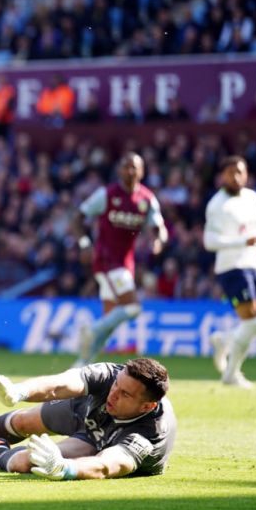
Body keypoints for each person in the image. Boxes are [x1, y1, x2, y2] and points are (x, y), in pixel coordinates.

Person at [0, 358, 176, 480]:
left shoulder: (148, 432)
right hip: (91, 414)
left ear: (147, 405)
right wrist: (19, 391)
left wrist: (64, 468)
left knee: (27, 462)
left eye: (124, 394)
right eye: (116, 385)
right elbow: (62, 383)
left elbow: (108, 464)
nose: (114, 392)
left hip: (102, 443)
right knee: (23, 421)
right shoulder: (110, 376)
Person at [72, 152, 168, 365]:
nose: (130, 171)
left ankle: (82, 363)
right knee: (133, 308)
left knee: (111, 320)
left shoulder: (147, 199)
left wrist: (158, 241)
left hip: (126, 263)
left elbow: (159, 228)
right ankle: (90, 330)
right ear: (119, 170)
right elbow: (77, 218)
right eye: (126, 166)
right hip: (106, 260)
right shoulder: (106, 195)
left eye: (135, 167)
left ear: (142, 171)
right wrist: (85, 243)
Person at [205, 156, 256, 388]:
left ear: (246, 175)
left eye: (240, 172)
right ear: (222, 176)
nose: (235, 177)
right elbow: (209, 241)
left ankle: (225, 341)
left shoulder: (252, 198)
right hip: (231, 267)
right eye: (230, 172)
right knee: (252, 319)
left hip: (254, 265)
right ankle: (231, 375)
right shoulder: (217, 205)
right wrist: (242, 241)